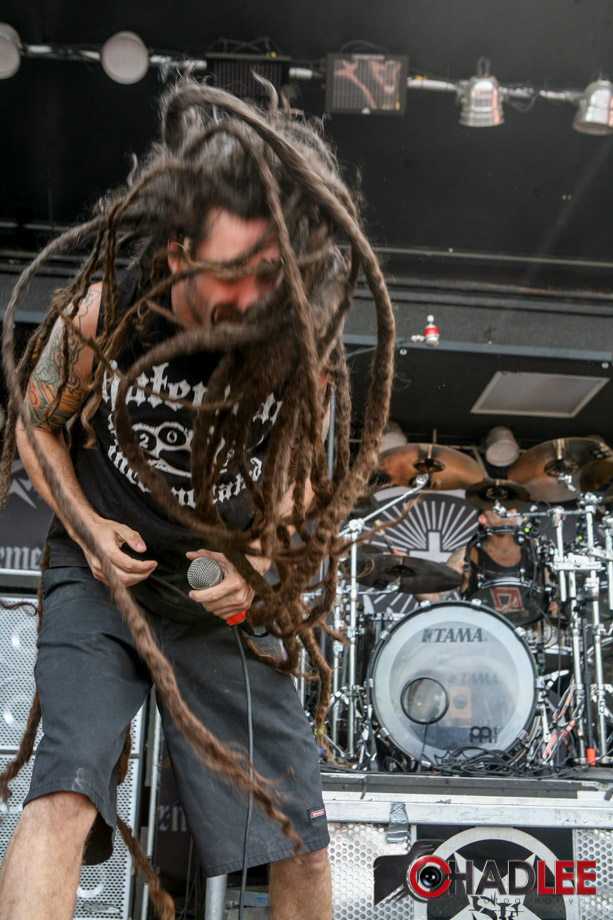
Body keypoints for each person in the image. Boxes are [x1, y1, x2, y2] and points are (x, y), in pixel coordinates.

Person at [0, 82, 395, 920]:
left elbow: (294, 481)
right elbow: (34, 425)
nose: (253, 299)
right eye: (232, 274)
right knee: (62, 798)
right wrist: (83, 523)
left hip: (219, 591)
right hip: (103, 573)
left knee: (303, 846)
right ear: (178, 253)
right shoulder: (106, 312)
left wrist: (260, 561)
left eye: (270, 275)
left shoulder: (295, 341)